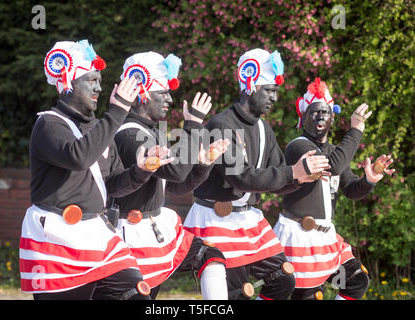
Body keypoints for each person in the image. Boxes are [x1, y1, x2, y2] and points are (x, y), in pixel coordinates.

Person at [19, 40, 173, 300]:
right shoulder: (48, 124)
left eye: (99, 80)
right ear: (68, 82)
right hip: (56, 237)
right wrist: (116, 112)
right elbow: (78, 156)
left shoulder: (100, 128)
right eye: (90, 80)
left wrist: (140, 170)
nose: (99, 87)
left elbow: (111, 185)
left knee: (136, 294)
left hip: (97, 233)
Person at [183, 48, 331, 300]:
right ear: (250, 85)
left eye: (276, 91)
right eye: (269, 90)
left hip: (248, 220)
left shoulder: (264, 128)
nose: (275, 97)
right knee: (236, 294)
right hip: (216, 220)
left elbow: (276, 178)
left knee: (283, 279)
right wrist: (292, 172)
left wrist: (299, 177)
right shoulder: (222, 124)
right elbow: (242, 178)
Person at [94, 51, 230, 300]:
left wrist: (203, 164)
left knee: (210, 257)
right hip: (130, 235)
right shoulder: (130, 134)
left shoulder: (151, 131)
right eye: (163, 92)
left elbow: (176, 186)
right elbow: (177, 172)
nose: (169, 98)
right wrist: (193, 125)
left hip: (154, 227)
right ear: (143, 93)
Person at [273, 77, 395, 300]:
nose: (320, 117)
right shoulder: (298, 146)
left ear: (332, 117)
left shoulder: (333, 150)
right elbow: (334, 165)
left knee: (356, 281)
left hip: (325, 238)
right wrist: (356, 129)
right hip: (300, 238)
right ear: (304, 117)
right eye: (313, 112)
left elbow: (351, 190)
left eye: (325, 112)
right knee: (306, 296)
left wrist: (370, 180)